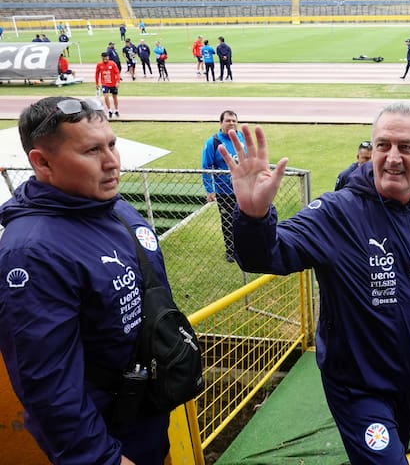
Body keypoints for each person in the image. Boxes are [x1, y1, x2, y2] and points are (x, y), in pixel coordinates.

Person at [221, 102, 410, 464]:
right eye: (383, 145)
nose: (393, 157)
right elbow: (268, 254)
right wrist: (255, 218)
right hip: (357, 388)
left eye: (406, 147)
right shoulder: (338, 212)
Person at [0, 96, 174, 464]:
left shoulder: (111, 206)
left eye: (112, 144)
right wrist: (102, 459)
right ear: (42, 162)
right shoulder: (32, 253)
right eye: (92, 150)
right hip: (111, 438)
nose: (112, 162)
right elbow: (48, 387)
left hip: (148, 415)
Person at [201, 110, 246, 262]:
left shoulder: (242, 138)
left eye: (234, 120)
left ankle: (244, 247)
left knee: (245, 220)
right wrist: (209, 190)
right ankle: (230, 250)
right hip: (224, 191)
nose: (232, 123)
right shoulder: (213, 142)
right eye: (228, 121)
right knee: (228, 221)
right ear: (221, 123)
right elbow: (206, 167)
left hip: (243, 190)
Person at [95, 52, 120, 118]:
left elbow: (117, 73)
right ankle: (109, 110)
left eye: (106, 59)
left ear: (108, 57)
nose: (105, 60)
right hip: (105, 84)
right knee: (105, 96)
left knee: (114, 97)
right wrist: (97, 83)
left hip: (113, 83)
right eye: (104, 59)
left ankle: (116, 110)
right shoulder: (99, 65)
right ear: (102, 58)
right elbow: (97, 74)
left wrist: (117, 81)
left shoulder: (112, 64)